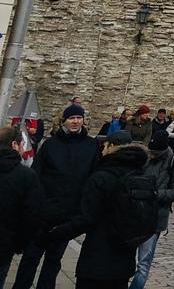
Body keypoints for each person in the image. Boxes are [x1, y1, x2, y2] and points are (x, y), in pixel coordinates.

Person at [47, 130, 154, 289]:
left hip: (97, 257)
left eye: (104, 146)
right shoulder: (139, 174)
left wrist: (53, 234)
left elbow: (86, 218)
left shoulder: (102, 176)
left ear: (110, 146)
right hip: (124, 258)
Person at [12, 104, 100, 289]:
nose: (75, 121)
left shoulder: (91, 146)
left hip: (67, 216)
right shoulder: (51, 144)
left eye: (79, 118)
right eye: (71, 118)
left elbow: (93, 179)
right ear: (64, 121)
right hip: (43, 214)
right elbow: (36, 175)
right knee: (30, 258)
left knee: (53, 261)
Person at [128, 135, 174, 289]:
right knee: (125, 258)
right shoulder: (143, 157)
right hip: (135, 215)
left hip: (155, 218)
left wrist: (157, 194)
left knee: (143, 263)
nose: (151, 155)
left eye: (155, 153)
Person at [0, 125, 45, 286]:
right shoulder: (26, 176)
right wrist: (20, 243)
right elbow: (31, 214)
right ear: (14, 145)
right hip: (5, 243)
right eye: (22, 144)